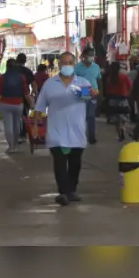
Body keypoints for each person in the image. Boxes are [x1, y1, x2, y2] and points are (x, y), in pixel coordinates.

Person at [34, 51, 97, 206]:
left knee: (75, 163)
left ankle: (71, 190)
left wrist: (91, 93)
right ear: (59, 65)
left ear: (74, 65)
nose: (67, 65)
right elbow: (40, 106)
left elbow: (93, 95)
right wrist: (35, 125)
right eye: (64, 62)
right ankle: (63, 192)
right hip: (56, 132)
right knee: (60, 163)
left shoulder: (82, 83)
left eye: (70, 62)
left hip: (77, 131)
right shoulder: (50, 84)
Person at [0, 58, 32, 153]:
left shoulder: (2, 77)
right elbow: (26, 93)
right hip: (18, 104)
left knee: (8, 125)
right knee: (17, 124)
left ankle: (11, 147)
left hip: (5, 103)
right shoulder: (21, 77)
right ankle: (15, 145)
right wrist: (31, 104)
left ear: (7, 66)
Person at [74, 46, 102, 145]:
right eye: (89, 55)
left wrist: (99, 92)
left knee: (91, 116)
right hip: (82, 92)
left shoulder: (96, 67)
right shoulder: (77, 67)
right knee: (81, 116)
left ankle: (91, 137)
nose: (91, 57)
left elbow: (98, 79)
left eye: (92, 55)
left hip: (93, 92)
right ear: (84, 56)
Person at [105, 61, 133, 141]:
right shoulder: (124, 77)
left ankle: (120, 135)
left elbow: (107, 90)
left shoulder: (110, 78)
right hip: (123, 99)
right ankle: (123, 127)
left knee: (116, 120)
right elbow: (130, 86)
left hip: (113, 100)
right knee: (124, 117)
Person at [15, 53, 37, 144]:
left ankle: (15, 134)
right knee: (24, 115)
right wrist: (35, 93)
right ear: (25, 61)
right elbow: (33, 84)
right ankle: (23, 134)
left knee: (14, 116)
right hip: (25, 95)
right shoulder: (27, 71)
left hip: (13, 95)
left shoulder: (12, 70)